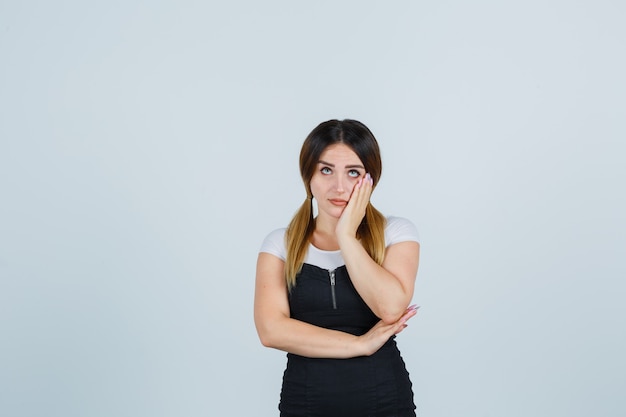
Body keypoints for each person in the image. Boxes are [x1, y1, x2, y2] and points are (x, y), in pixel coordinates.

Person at [254, 119, 421, 417]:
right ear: (309, 177)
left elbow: (391, 309)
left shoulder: (396, 233)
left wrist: (346, 236)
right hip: (304, 403)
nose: (339, 187)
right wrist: (359, 344)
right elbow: (271, 331)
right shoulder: (280, 244)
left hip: (384, 401)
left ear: (371, 179)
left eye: (353, 172)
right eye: (326, 170)